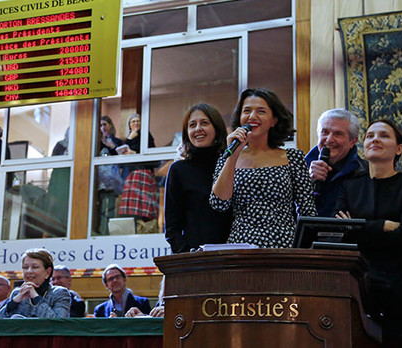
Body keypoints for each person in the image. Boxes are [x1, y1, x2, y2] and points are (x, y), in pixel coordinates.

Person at [335, 119, 402, 320]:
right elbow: (339, 233)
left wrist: (359, 229)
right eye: (370, 136)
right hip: (355, 284)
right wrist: (385, 225)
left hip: (398, 287)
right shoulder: (349, 187)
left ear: (399, 149)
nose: (375, 139)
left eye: (384, 136)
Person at [210, 88, 317, 248]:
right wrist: (233, 157)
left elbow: (307, 209)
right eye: (247, 111)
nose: (252, 116)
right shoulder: (228, 157)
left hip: (283, 245)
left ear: (274, 120)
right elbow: (219, 203)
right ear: (240, 118)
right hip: (241, 247)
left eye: (261, 111)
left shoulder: (292, 157)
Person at [165, 104, 232, 253]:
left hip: (232, 255)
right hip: (195, 259)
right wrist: (187, 254)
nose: (197, 129)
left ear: (217, 128)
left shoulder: (231, 165)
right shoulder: (178, 170)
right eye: (192, 125)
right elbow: (172, 228)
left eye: (204, 123)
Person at [305, 109, 368, 217]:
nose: (329, 140)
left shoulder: (365, 172)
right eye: (324, 132)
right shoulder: (298, 168)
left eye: (338, 134)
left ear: (352, 141)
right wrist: (307, 181)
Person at [0, 248, 70, 318]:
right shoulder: (17, 293)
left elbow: (59, 323)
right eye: (25, 267)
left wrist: (36, 298)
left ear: (48, 272)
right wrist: (14, 302)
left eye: (35, 267)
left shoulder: (59, 293)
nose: (29, 271)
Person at [118, 114, 159, 226]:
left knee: (144, 209)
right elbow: (123, 152)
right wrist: (130, 138)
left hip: (144, 173)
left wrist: (135, 153)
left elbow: (150, 153)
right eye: (133, 122)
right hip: (132, 174)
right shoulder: (130, 137)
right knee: (131, 210)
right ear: (129, 125)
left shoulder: (146, 135)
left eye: (138, 121)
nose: (136, 123)